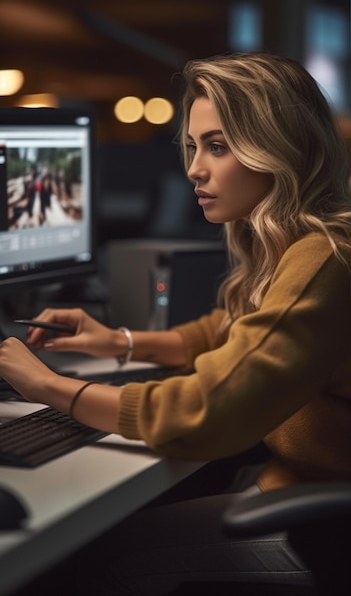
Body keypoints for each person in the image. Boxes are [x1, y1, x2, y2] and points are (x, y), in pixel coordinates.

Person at [1, 50, 351, 594]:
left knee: (93, 558)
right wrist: (117, 340)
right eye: (193, 146)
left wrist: (49, 385)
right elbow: (231, 331)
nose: (194, 168)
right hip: (285, 487)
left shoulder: (324, 258)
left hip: (321, 528)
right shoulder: (302, 243)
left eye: (218, 146)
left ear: (278, 149)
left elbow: (205, 411)